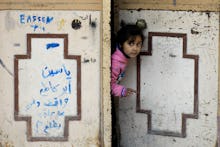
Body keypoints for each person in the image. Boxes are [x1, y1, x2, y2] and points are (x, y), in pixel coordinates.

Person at [111, 24, 145, 146]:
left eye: (138, 44)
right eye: (131, 43)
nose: (135, 48)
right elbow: (108, 86)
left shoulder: (122, 59)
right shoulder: (116, 62)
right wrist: (122, 91)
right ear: (121, 44)